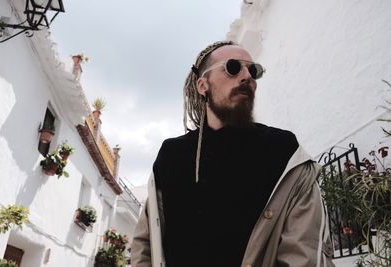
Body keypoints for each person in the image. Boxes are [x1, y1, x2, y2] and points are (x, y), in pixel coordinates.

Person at [131, 41, 334, 267]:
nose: (247, 76)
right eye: (233, 67)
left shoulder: (282, 151)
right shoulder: (172, 156)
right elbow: (146, 243)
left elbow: (305, 253)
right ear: (202, 85)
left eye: (253, 70)